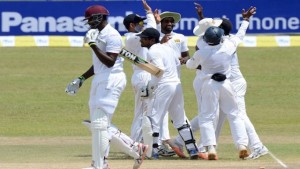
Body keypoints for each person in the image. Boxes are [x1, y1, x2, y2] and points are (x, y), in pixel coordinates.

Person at [172, 3, 268, 160]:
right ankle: (242, 145)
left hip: (211, 83)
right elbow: (237, 34)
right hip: (227, 83)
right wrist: (245, 20)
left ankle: (210, 147)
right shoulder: (229, 44)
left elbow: (193, 59)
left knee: (209, 116)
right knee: (232, 115)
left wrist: (186, 61)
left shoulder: (202, 47)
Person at [65, 5, 148, 169]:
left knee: (99, 124)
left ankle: (100, 165)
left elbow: (110, 62)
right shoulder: (99, 34)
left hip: (112, 80)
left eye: (90, 19)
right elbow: (99, 65)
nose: (88, 22)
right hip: (101, 79)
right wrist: (82, 78)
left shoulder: (112, 35)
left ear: (99, 17)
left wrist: (93, 45)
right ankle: (135, 148)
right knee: (99, 124)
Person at [137, 27, 199, 160]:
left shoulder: (153, 51)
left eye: (143, 38)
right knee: (180, 119)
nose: (140, 40)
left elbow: (159, 71)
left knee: (154, 118)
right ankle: (192, 149)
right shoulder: (168, 48)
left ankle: (153, 152)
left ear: (151, 39)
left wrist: (149, 87)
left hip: (163, 85)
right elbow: (177, 64)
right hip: (176, 84)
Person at [151, 10, 191, 157]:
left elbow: (186, 56)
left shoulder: (180, 38)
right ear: (160, 23)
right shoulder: (155, 37)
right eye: (165, 21)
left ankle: (165, 145)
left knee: (173, 114)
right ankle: (160, 144)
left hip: (175, 81)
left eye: (171, 21)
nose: (169, 24)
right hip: (160, 81)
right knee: (159, 115)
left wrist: (184, 60)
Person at [122, 0, 157, 158]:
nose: (141, 25)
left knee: (145, 111)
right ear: (131, 25)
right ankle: (135, 145)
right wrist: (149, 13)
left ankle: (139, 144)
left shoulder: (133, 36)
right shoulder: (132, 38)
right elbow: (152, 30)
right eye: (139, 23)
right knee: (143, 112)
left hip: (142, 74)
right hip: (142, 75)